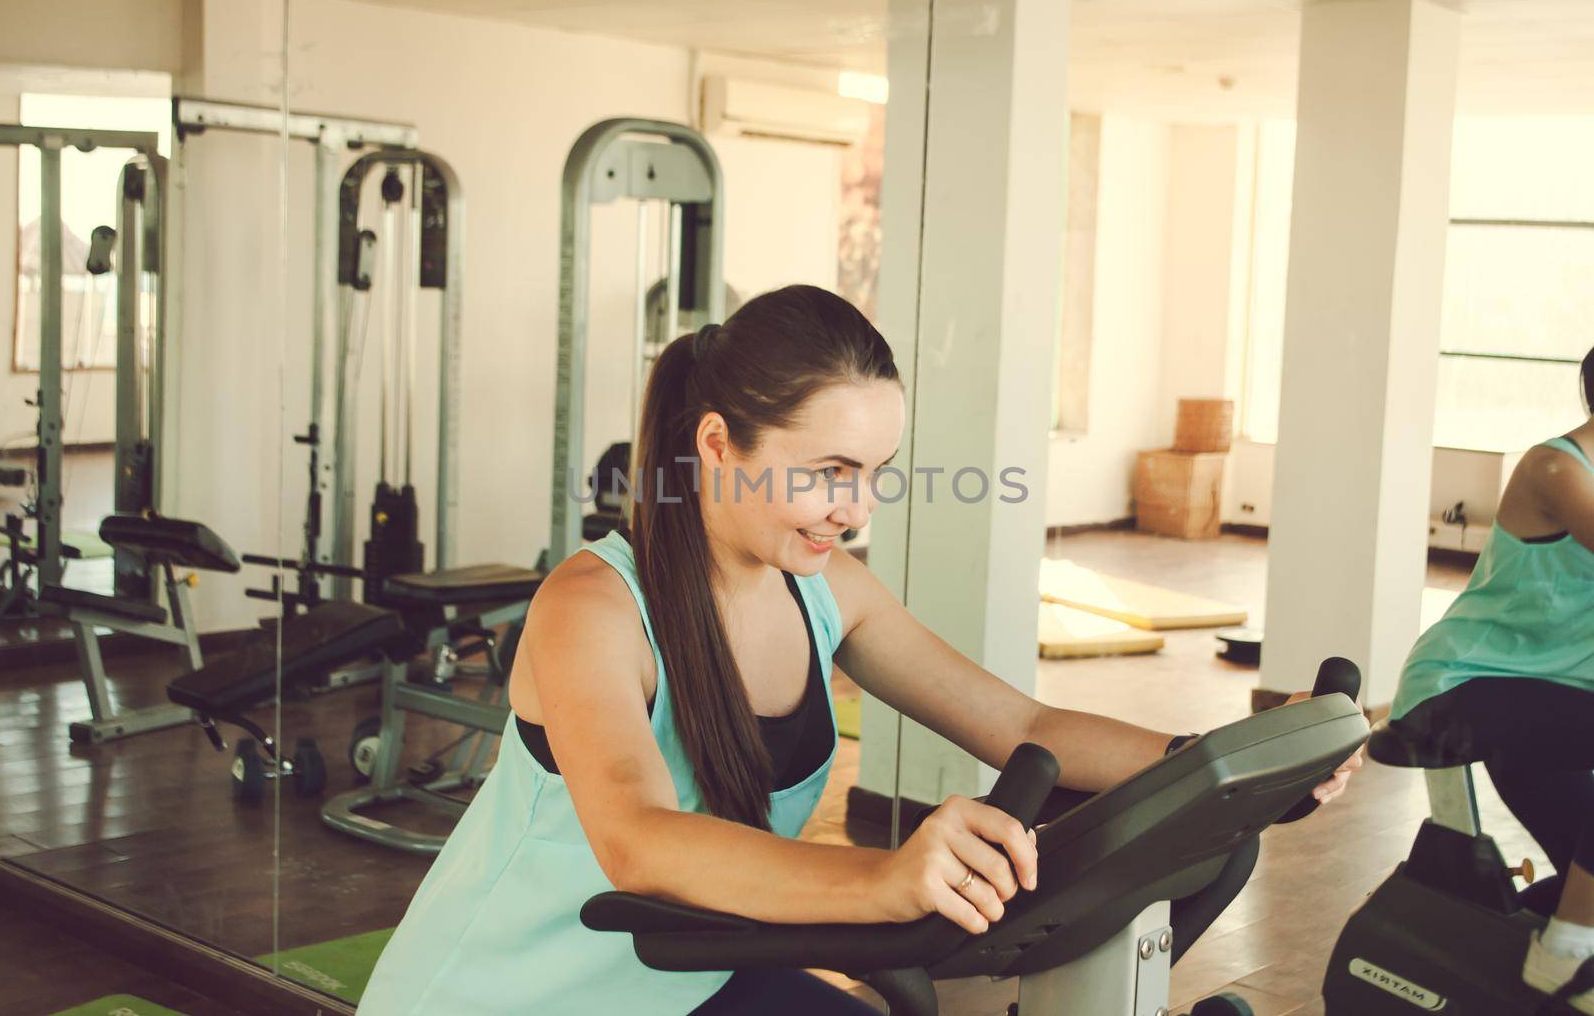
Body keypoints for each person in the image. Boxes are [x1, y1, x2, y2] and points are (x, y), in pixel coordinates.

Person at [360, 285, 1358, 1015]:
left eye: (873, 472)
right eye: (828, 471)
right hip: (507, 997)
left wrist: (1224, 766)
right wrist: (884, 879)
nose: (855, 506)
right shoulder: (594, 607)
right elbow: (638, 840)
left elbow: (1020, 725)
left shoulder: (821, 589)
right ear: (717, 446)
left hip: (686, 977)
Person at [1389, 345, 1594, 1011]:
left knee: (1579, 880)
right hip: (1466, 688)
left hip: (1551, 704)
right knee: (1572, 913)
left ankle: (1546, 953)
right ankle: (1563, 950)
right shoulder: (1556, 466)